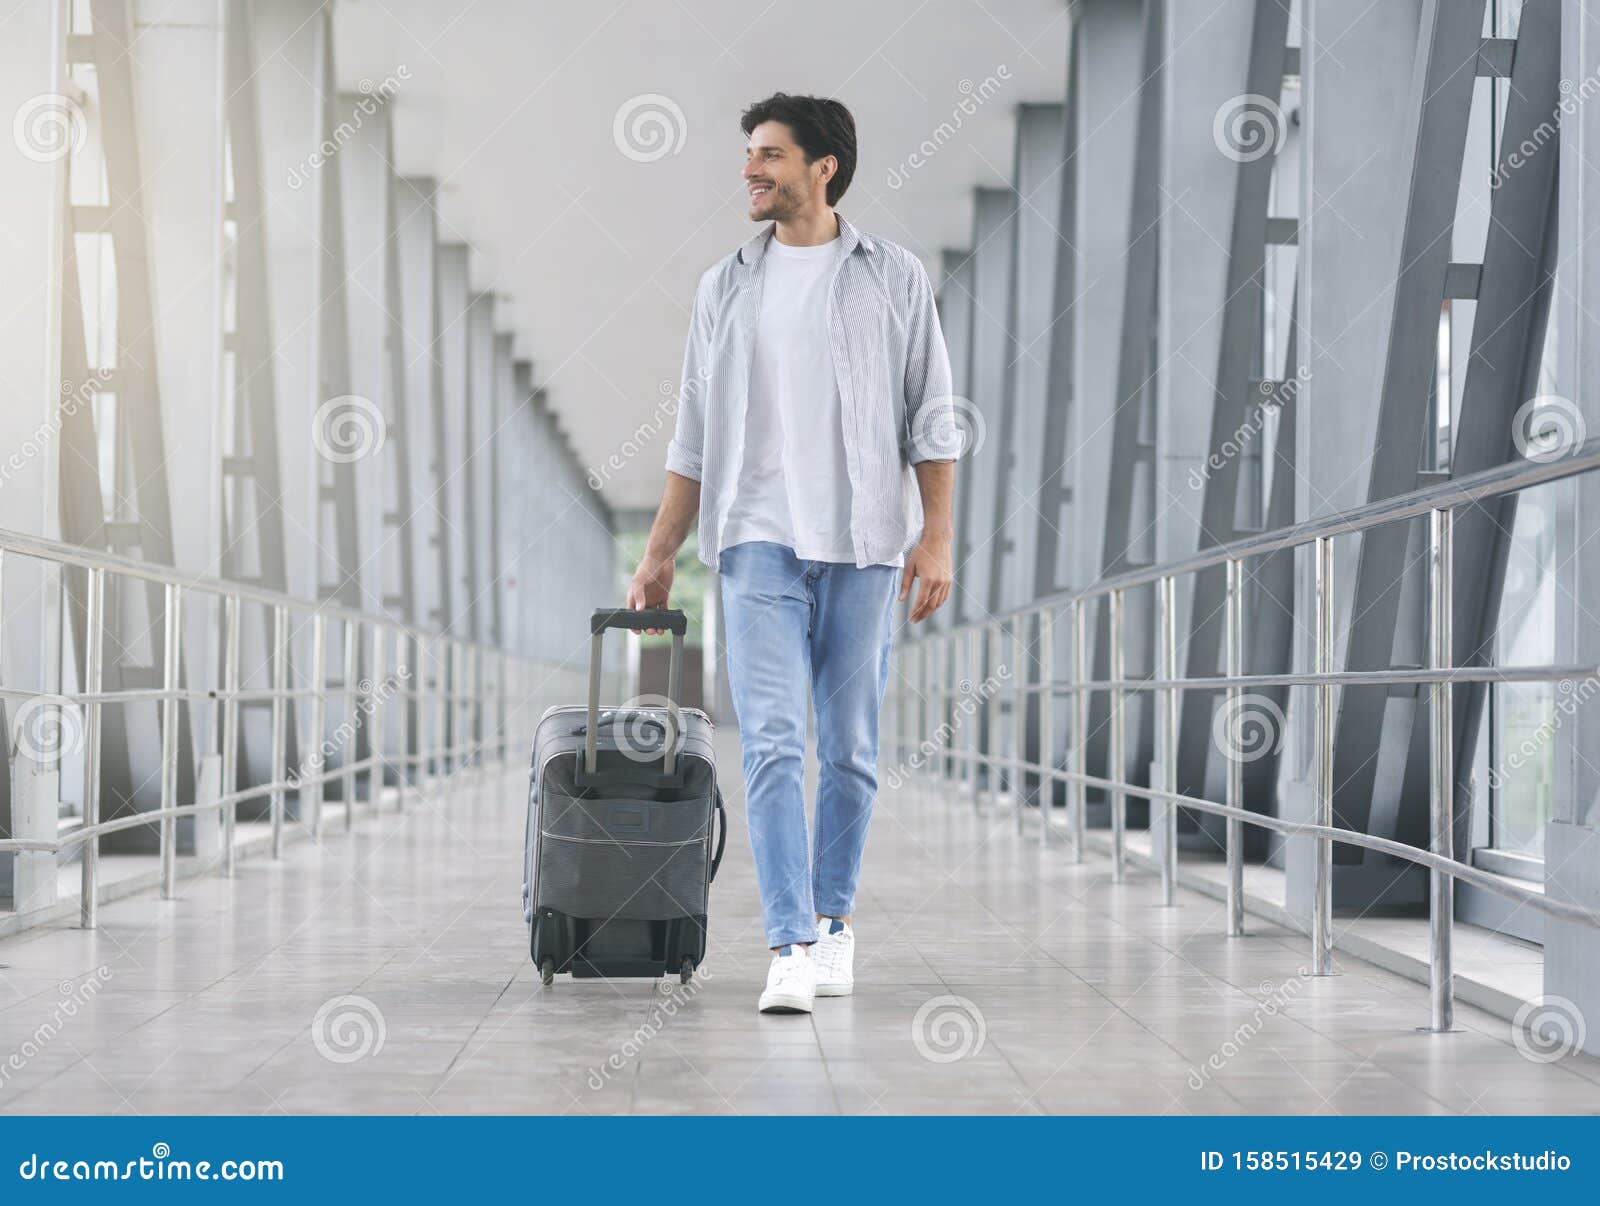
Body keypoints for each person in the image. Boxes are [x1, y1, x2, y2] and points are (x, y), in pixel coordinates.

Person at [627, 92, 957, 1014]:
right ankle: (790, 942)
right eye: (749, 156)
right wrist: (658, 555)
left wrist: (936, 539)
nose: (750, 171)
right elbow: (692, 439)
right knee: (774, 743)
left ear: (824, 168)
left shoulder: (894, 277)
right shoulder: (724, 285)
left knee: (848, 749)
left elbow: (932, 416)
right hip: (756, 542)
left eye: (769, 156)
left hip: (863, 544)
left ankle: (836, 919)